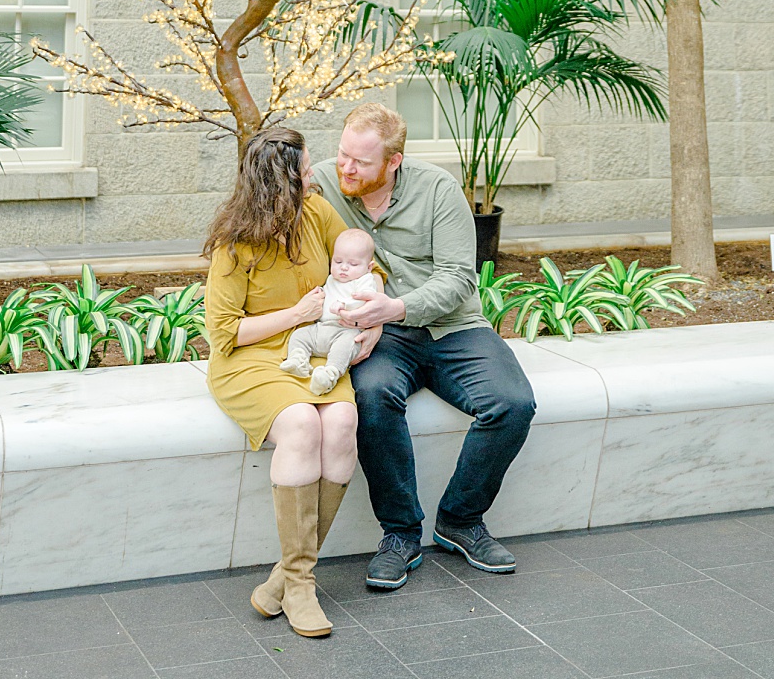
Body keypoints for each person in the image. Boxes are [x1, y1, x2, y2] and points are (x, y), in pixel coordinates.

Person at [313, 100, 539, 591]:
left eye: (361, 161)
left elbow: (459, 278)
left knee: (512, 404)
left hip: (452, 327)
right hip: (380, 337)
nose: (346, 169)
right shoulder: (325, 181)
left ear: (393, 161)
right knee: (371, 398)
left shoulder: (437, 189)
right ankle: (400, 534)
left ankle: (460, 518)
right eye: (343, 154)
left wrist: (395, 308)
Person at [202, 123, 368, 640]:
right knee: (301, 425)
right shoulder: (233, 244)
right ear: (281, 180)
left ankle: (286, 577)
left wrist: (370, 322)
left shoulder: (316, 213)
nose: (313, 172)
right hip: (251, 358)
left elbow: (360, 266)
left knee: (341, 421)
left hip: (316, 346)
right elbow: (225, 333)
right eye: (303, 167)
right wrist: (296, 312)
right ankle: (301, 585)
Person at [277, 226, 386, 398]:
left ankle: (329, 374)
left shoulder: (365, 280)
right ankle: (298, 360)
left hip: (347, 330)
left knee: (345, 346)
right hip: (322, 329)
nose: (343, 268)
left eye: (353, 264)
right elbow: (327, 292)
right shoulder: (332, 278)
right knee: (299, 335)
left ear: (369, 266)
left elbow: (365, 299)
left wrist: (344, 305)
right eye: (338, 261)